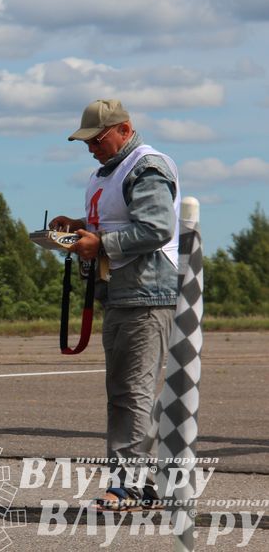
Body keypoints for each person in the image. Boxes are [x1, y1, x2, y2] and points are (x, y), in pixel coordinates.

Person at [49, 99, 180, 511]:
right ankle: (144, 484)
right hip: (122, 293)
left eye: (97, 139)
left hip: (145, 294)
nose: (91, 148)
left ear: (124, 129)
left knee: (131, 392)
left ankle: (130, 487)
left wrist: (100, 242)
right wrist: (80, 229)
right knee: (126, 392)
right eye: (86, 141)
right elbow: (120, 223)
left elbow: (157, 227)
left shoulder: (146, 167)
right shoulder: (109, 172)